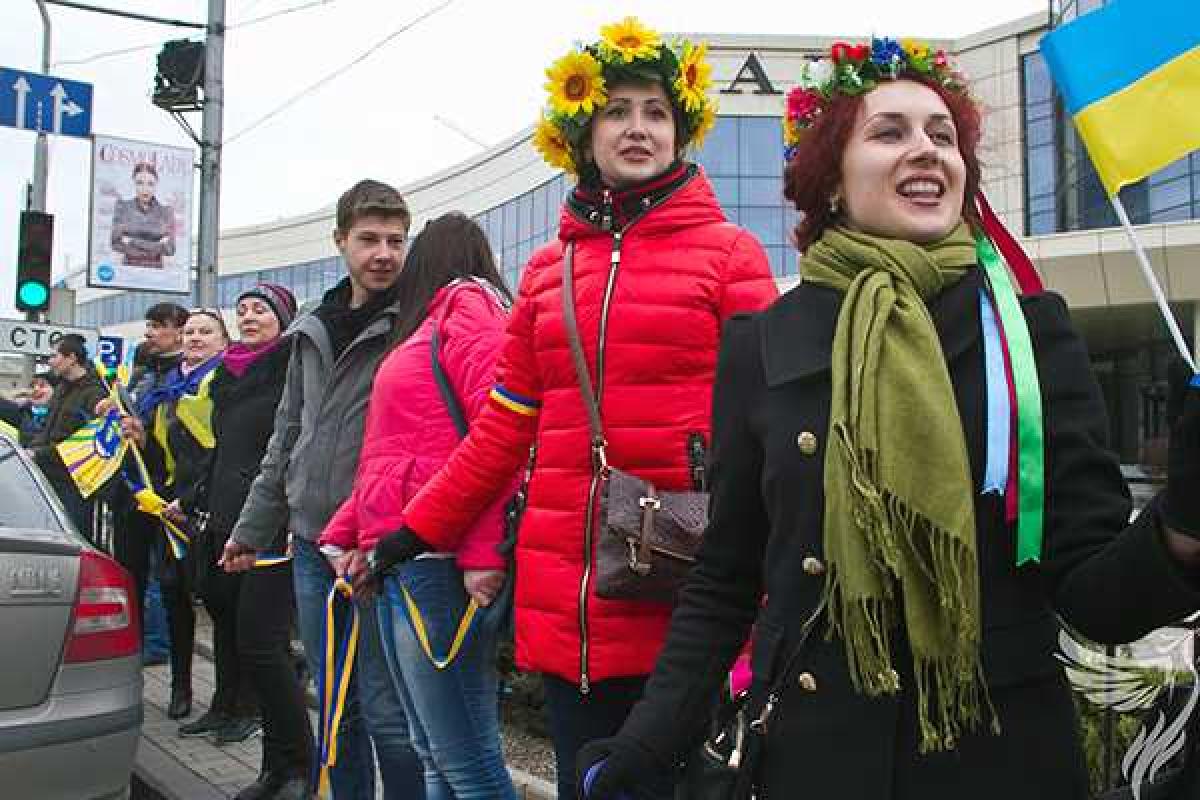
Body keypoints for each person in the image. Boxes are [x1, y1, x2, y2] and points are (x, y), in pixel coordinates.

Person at [577, 38, 1200, 800]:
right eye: (890, 132)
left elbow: (1096, 597)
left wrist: (1183, 521)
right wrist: (646, 740)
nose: (926, 151)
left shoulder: (1029, 329)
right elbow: (725, 578)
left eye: (943, 136)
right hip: (813, 758)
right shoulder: (763, 341)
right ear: (830, 180)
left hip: (1003, 760)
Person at [363, 19, 778, 800]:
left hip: (688, 605)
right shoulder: (547, 272)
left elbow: (769, 433)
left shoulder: (731, 255)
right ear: (582, 133)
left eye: (656, 111)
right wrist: (416, 530)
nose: (637, 127)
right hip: (569, 613)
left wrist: (762, 599)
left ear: (681, 131)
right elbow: (501, 429)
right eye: (616, 110)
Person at [221, 180, 424, 800]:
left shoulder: (414, 322)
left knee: (392, 715)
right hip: (311, 546)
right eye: (369, 239)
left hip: (381, 550)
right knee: (338, 707)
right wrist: (252, 530)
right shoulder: (311, 328)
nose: (384, 253)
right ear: (340, 241)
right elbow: (287, 438)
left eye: (396, 240)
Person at [318, 213, 517, 799]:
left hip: (437, 560)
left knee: (465, 760)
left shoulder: (469, 309)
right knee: (435, 753)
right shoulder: (435, 322)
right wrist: (348, 534)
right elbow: (389, 450)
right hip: (404, 556)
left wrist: (484, 552)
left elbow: (499, 435)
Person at [187, 284, 314, 798]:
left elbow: (289, 448)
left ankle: (302, 765)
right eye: (241, 311)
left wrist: (276, 517)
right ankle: (274, 768)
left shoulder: (289, 369)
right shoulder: (226, 377)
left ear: (282, 318)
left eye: (259, 310)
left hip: (271, 526)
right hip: (225, 522)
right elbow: (222, 450)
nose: (248, 317)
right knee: (247, 643)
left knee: (264, 647)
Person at [122, 308, 229, 723]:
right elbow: (163, 453)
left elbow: (220, 449)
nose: (195, 338)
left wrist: (190, 497)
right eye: (190, 332)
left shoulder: (224, 381)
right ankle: (181, 685)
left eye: (206, 332)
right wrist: (141, 437)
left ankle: (229, 697)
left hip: (208, 504)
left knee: (219, 604)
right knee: (173, 595)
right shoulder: (169, 387)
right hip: (170, 506)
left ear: (223, 341)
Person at [107, 303, 189, 673]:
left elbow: (180, 439)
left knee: (164, 579)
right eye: (149, 326)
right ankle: (135, 640)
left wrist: (144, 439)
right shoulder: (144, 374)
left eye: (157, 326)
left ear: (179, 330)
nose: (150, 333)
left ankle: (158, 646)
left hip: (164, 491)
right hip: (132, 491)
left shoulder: (184, 377)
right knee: (132, 571)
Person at [30, 334, 107, 540]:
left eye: (55, 355)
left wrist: (39, 454)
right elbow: (47, 429)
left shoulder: (95, 393)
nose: (50, 361)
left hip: (73, 484)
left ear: (71, 358)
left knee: (73, 540)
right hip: (47, 476)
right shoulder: (61, 389)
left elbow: (83, 442)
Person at [111, 161, 176, 268]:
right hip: (127, 273)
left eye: (150, 184)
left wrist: (131, 241)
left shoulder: (166, 212)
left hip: (157, 276)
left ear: (156, 185)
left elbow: (170, 249)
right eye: (140, 183)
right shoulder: (123, 207)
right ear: (134, 183)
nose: (145, 189)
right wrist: (157, 245)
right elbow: (116, 244)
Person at [0, 373, 53, 446]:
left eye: (42, 385)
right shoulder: (23, 412)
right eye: (32, 386)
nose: (36, 389)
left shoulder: (61, 417)